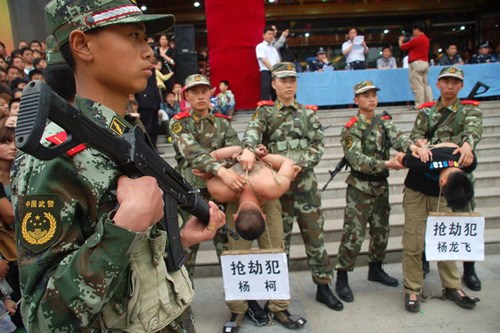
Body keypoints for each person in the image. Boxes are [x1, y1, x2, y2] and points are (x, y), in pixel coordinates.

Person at [11, 1, 226, 331]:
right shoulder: (53, 156)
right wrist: (125, 225)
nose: (149, 52)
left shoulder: (125, 131)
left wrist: (176, 240)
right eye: (133, 35)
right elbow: (41, 318)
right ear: (82, 45)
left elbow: (127, 268)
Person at [240, 62, 344, 312]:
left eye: (292, 80)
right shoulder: (265, 113)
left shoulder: (308, 114)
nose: (288, 85)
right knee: (279, 242)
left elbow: (318, 146)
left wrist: (296, 164)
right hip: (277, 191)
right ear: (273, 83)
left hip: (305, 187)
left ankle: (323, 286)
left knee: (315, 238)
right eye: (283, 80)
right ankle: (278, 292)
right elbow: (252, 133)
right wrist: (250, 148)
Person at [334, 80, 430, 303]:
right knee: (353, 234)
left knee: (381, 231)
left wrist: (413, 148)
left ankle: (375, 269)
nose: (371, 99)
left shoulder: (383, 122)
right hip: (360, 188)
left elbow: (398, 138)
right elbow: (356, 160)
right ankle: (342, 277)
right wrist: (387, 164)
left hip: (380, 186)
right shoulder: (351, 128)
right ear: (356, 100)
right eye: (365, 96)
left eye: (373, 95)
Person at [196, 145, 307, 331]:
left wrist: (238, 155)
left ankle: (279, 306)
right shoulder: (274, 187)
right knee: (237, 255)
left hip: (259, 200)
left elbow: (209, 158)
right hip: (258, 193)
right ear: (263, 217)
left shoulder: (220, 191)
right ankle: (238, 309)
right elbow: (289, 163)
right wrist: (258, 156)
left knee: (274, 253)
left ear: (235, 217)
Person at [403, 66, 483, 313]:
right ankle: (413, 289)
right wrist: (421, 144)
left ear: (460, 86)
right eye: (445, 81)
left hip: (449, 186)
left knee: (447, 239)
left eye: (455, 82)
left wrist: (467, 144)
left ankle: (452, 285)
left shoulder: (468, 109)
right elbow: (417, 136)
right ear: (437, 84)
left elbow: (472, 130)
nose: (450, 86)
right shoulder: (426, 112)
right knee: (414, 242)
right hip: (419, 186)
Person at [169, 74, 243, 278]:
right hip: (189, 195)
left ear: (211, 93)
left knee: (227, 247)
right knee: (185, 250)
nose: (200, 96)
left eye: (204, 91)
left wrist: (212, 163)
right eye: (194, 92)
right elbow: (191, 152)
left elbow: (237, 152)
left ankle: (238, 304)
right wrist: (219, 167)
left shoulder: (223, 124)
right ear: (186, 96)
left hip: (219, 194)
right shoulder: (179, 123)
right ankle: (182, 304)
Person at [399, 21, 433, 108]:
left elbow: (403, 47)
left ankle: (419, 104)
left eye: (414, 30)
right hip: (425, 63)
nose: (413, 33)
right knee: (426, 84)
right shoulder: (426, 39)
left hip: (416, 63)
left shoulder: (417, 39)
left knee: (417, 85)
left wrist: (400, 41)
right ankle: (429, 103)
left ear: (417, 29)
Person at [135, 53, 162, 147]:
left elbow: (154, 86)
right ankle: (147, 148)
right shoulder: (140, 68)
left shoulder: (152, 69)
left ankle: (154, 148)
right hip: (145, 102)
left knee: (155, 127)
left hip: (154, 102)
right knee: (147, 127)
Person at [256, 26, 281, 100]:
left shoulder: (273, 48)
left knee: (276, 92)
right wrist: (273, 70)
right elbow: (264, 60)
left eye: (272, 34)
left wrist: (278, 70)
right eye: (269, 34)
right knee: (265, 92)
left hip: (275, 73)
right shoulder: (260, 46)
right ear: (263, 35)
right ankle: (264, 110)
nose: (271, 36)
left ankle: (276, 109)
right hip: (266, 72)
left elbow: (278, 61)